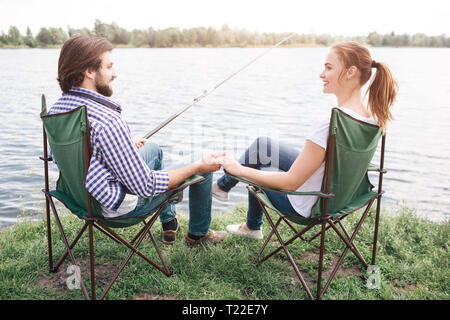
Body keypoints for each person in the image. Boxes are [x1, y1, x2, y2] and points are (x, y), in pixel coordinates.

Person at [49, 34, 227, 246]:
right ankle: (198, 236)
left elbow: (65, 156)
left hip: (81, 199)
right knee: (201, 160)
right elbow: (147, 185)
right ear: (89, 71)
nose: (115, 74)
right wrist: (197, 166)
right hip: (115, 209)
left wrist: (117, 147)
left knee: (153, 148)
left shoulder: (57, 111)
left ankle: (169, 221)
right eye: (109, 67)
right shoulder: (108, 121)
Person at [213, 41, 398, 239]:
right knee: (263, 146)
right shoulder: (375, 117)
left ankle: (251, 225)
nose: (321, 74)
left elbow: (291, 183)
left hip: (307, 205)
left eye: (328, 68)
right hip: (338, 196)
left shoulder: (330, 122)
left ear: (351, 72)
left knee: (257, 170)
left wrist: (239, 169)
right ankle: (223, 187)